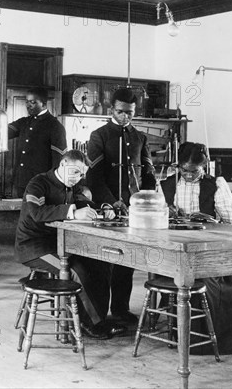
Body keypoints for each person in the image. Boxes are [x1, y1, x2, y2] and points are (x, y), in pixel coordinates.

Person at [160, 142, 232, 354]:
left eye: (195, 171)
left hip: (207, 252)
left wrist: (209, 220)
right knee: (179, 277)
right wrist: (165, 213)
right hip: (174, 250)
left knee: (204, 284)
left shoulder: (215, 185)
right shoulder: (167, 184)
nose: (188, 175)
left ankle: (203, 336)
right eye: (184, 170)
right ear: (178, 166)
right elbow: (155, 217)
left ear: (204, 166)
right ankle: (180, 327)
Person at [15, 150, 123, 339]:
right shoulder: (38, 183)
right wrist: (72, 213)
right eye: (75, 172)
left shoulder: (71, 186)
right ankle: (91, 325)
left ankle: (98, 317)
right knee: (77, 271)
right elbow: (37, 213)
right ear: (63, 164)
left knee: (101, 263)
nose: (78, 178)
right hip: (33, 247)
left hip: (60, 245)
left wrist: (104, 209)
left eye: (82, 174)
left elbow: (83, 204)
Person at [86, 87, 156, 325]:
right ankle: (98, 314)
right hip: (107, 208)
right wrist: (109, 201)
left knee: (128, 260)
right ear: (111, 110)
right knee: (104, 261)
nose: (126, 117)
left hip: (133, 209)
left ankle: (121, 310)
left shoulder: (140, 137)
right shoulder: (99, 136)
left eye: (131, 113)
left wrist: (147, 200)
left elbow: (148, 173)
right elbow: (93, 177)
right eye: (121, 112)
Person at [7, 87, 67, 198]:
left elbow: (58, 161)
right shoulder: (24, 122)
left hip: (40, 184)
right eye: (27, 102)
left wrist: (53, 186)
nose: (28, 105)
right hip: (21, 182)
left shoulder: (55, 126)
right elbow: (3, 132)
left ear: (44, 104)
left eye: (32, 102)